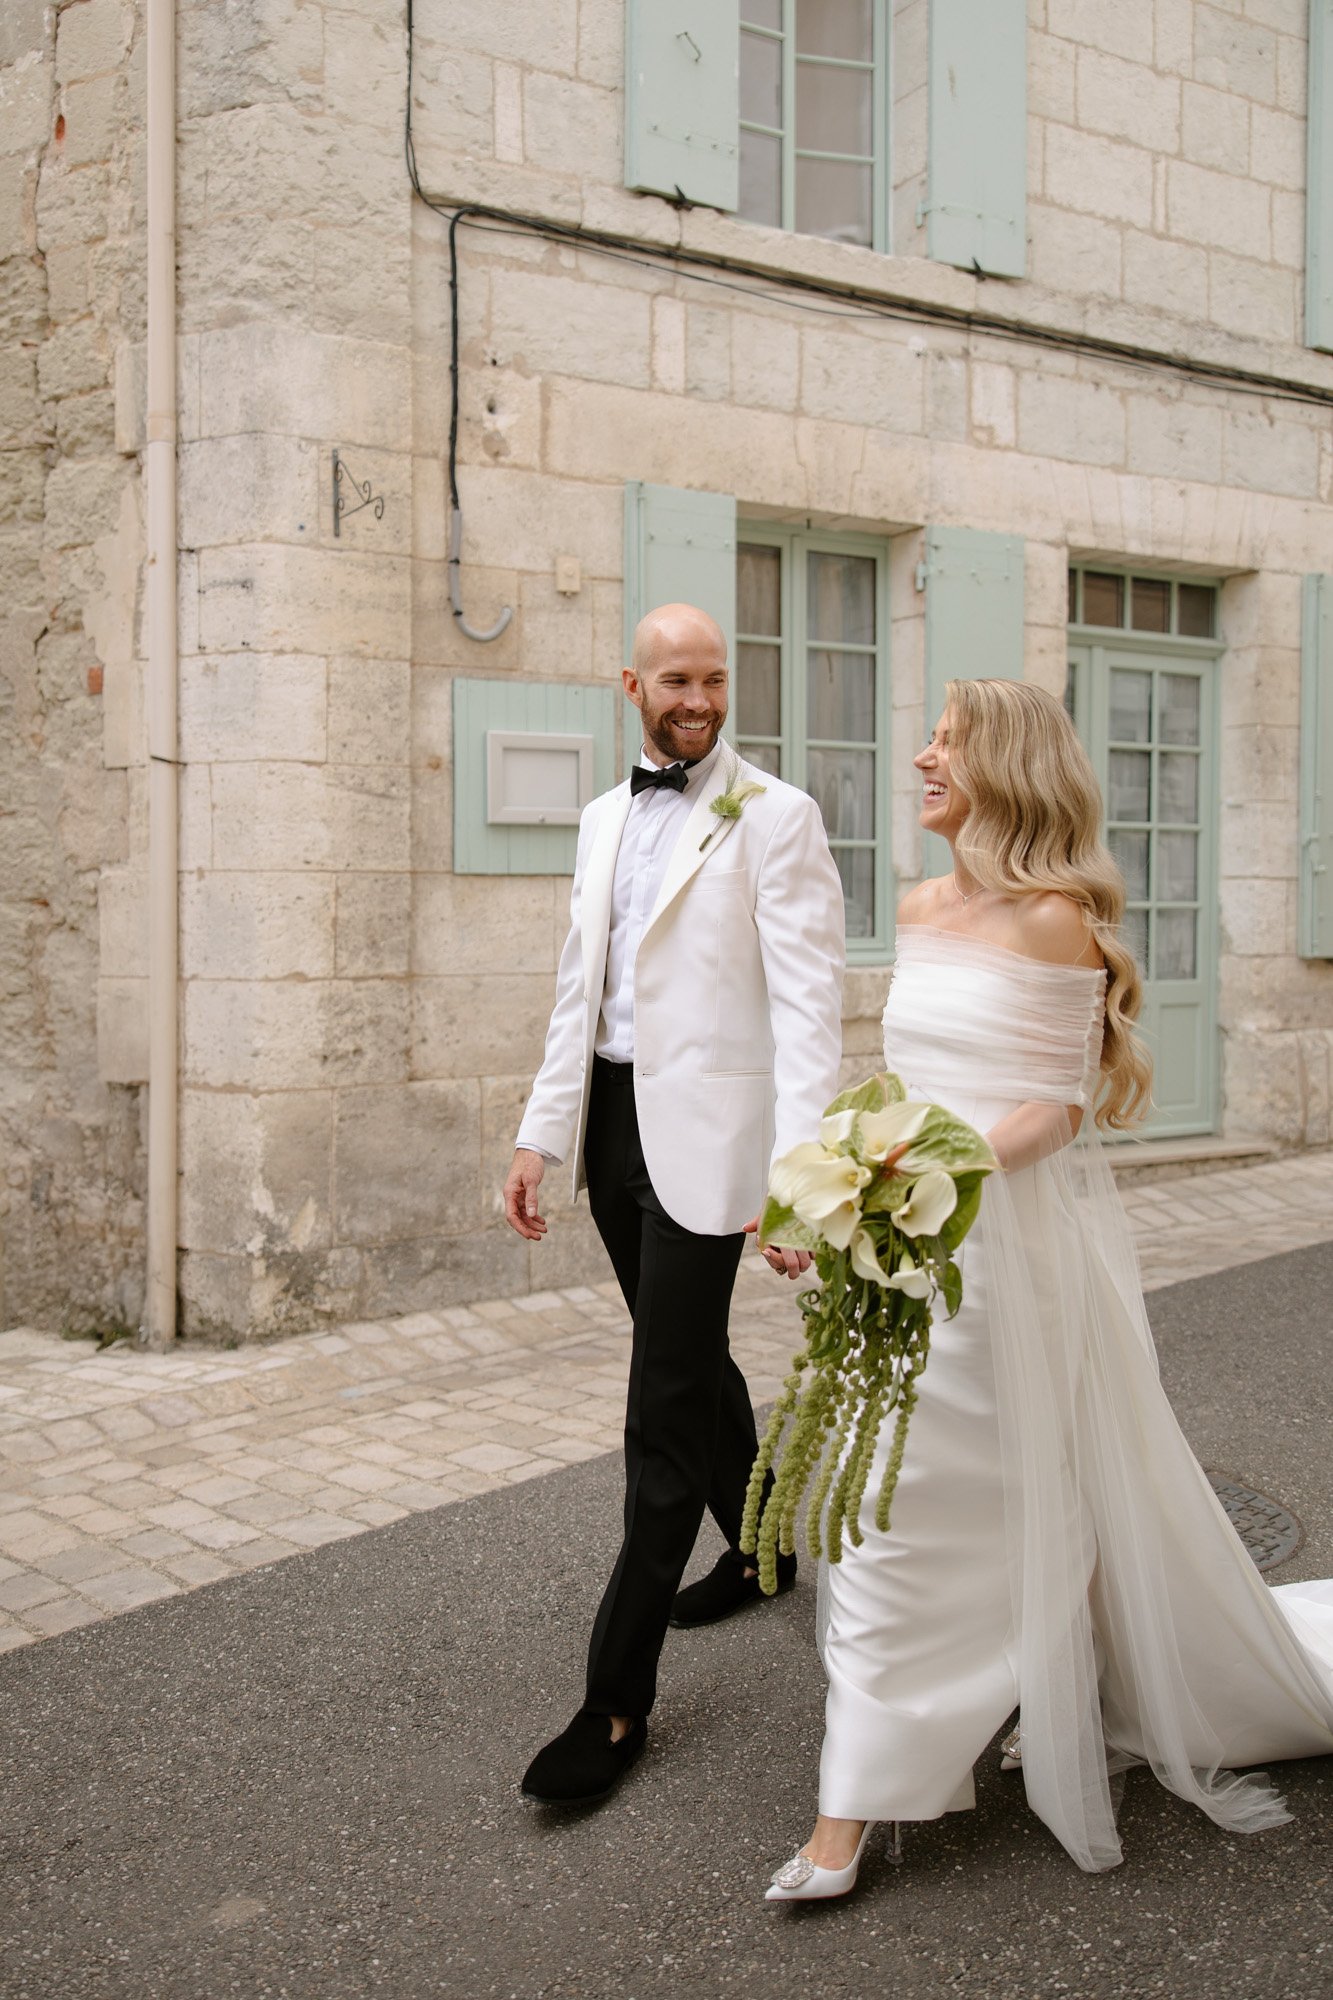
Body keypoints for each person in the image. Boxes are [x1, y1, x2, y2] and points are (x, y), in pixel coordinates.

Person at [765, 677, 1333, 1901]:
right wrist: (840, 1184)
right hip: (894, 1250)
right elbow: (904, 1074)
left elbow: (1059, 1102)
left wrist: (946, 1167)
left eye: (946, 743)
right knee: (886, 1513)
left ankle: (1022, 1701)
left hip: (997, 1255)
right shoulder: (917, 905)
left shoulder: (1055, 918)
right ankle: (854, 1796)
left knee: (1000, 1494)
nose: (919, 756)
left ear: (1006, 769)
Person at [504, 601, 845, 1809]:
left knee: (660, 1407)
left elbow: (810, 1012)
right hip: (609, 1126)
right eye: (673, 678)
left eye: (713, 676)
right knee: (690, 1364)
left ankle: (613, 1700)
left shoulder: (777, 816)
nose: (695, 697)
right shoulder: (605, 818)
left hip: (711, 1145)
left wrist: (798, 1180)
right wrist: (542, 1133)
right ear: (630, 686)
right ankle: (759, 1553)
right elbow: (575, 992)